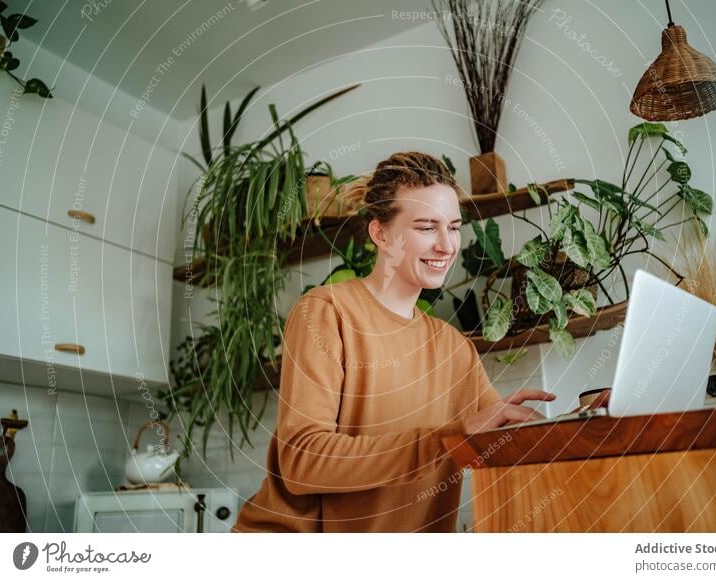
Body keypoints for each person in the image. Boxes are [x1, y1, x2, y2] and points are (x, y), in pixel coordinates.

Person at [232, 151, 555, 533]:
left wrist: (591, 421)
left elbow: (498, 442)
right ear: (380, 233)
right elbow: (302, 462)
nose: (447, 245)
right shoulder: (326, 312)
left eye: (453, 226)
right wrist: (446, 441)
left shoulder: (455, 349)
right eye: (425, 227)